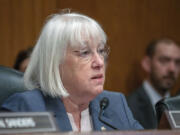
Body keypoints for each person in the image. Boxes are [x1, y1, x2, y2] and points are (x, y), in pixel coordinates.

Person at [1, 11, 143, 132]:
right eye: (84, 52)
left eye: (100, 51)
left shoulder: (115, 103)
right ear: (54, 61)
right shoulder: (26, 107)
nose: (99, 62)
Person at [127, 38, 180, 129]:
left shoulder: (177, 105)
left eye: (177, 62)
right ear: (147, 64)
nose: (172, 69)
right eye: (164, 60)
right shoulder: (128, 106)